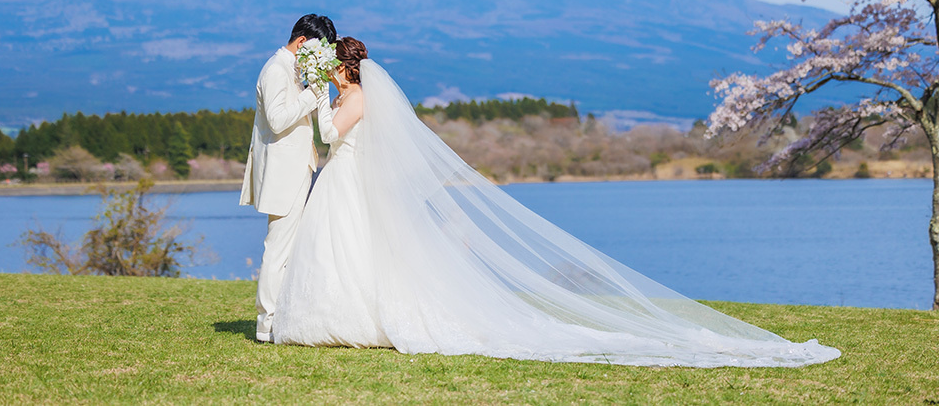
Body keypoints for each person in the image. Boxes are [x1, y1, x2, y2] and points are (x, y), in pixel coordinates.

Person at [272, 37, 841, 367]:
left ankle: (344, 320)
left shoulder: (352, 100)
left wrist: (317, 100)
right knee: (350, 252)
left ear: (342, 69)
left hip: (344, 184)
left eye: (333, 69)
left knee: (343, 250)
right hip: (347, 185)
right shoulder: (368, 96)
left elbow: (329, 137)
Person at [239, 14, 336, 343]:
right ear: (302, 42)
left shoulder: (288, 69)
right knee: (277, 248)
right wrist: (313, 94)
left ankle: (278, 316)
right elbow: (278, 120)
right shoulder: (276, 69)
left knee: (286, 247)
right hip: (283, 172)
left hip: (295, 168)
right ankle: (267, 323)